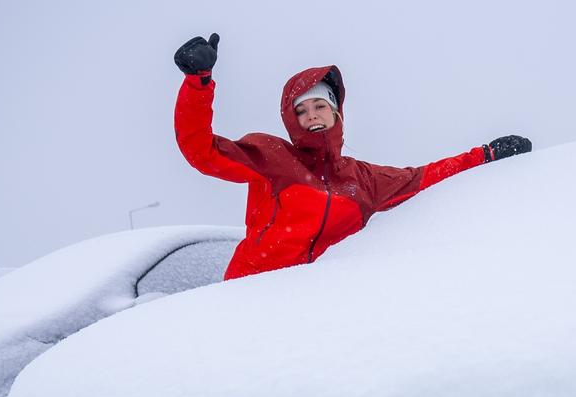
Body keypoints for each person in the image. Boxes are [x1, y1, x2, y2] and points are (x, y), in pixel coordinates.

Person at [173, 33, 532, 281]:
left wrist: (485, 155)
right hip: (249, 291)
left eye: (320, 106)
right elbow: (201, 150)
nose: (312, 115)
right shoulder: (270, 156)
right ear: (290, 118)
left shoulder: (362, 178)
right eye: (302, 110)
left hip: (318, 299)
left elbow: (425, 177)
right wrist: (197, 83)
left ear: (336, 111)